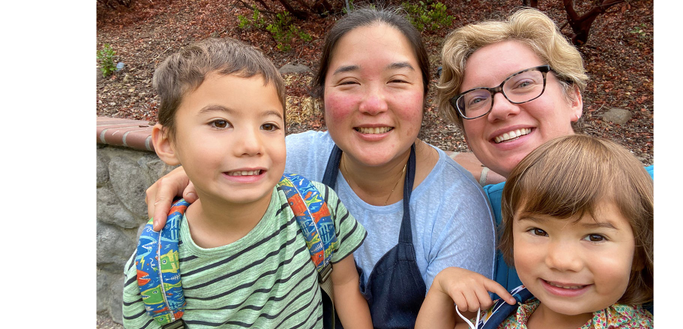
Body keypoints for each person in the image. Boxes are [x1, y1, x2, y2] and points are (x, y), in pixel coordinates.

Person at [143, 8, 496, 328]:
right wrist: (184, 173)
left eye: (397, 80)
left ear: (424, 95)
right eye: (349, 82)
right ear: (321, 93)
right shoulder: (295, 161)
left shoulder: (458, 205)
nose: (373, 103)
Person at [121, 37, 371, 328]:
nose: (252, 145)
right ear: (167, 142)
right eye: (220, 123)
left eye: (269, 126)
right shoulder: (153, 273)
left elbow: (345, 287)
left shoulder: (315, 208)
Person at [433, 7, 654, 293]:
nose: (499, 109)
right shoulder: (471, 215)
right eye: (475, 100)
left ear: (573, 98)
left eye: (524, 83)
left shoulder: (649, 195)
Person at [416, 134, 653, 328]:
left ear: (639, 254)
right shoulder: (505, 315)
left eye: (595, 237)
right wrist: (441, 287)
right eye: (539, 232)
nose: (561, 261)